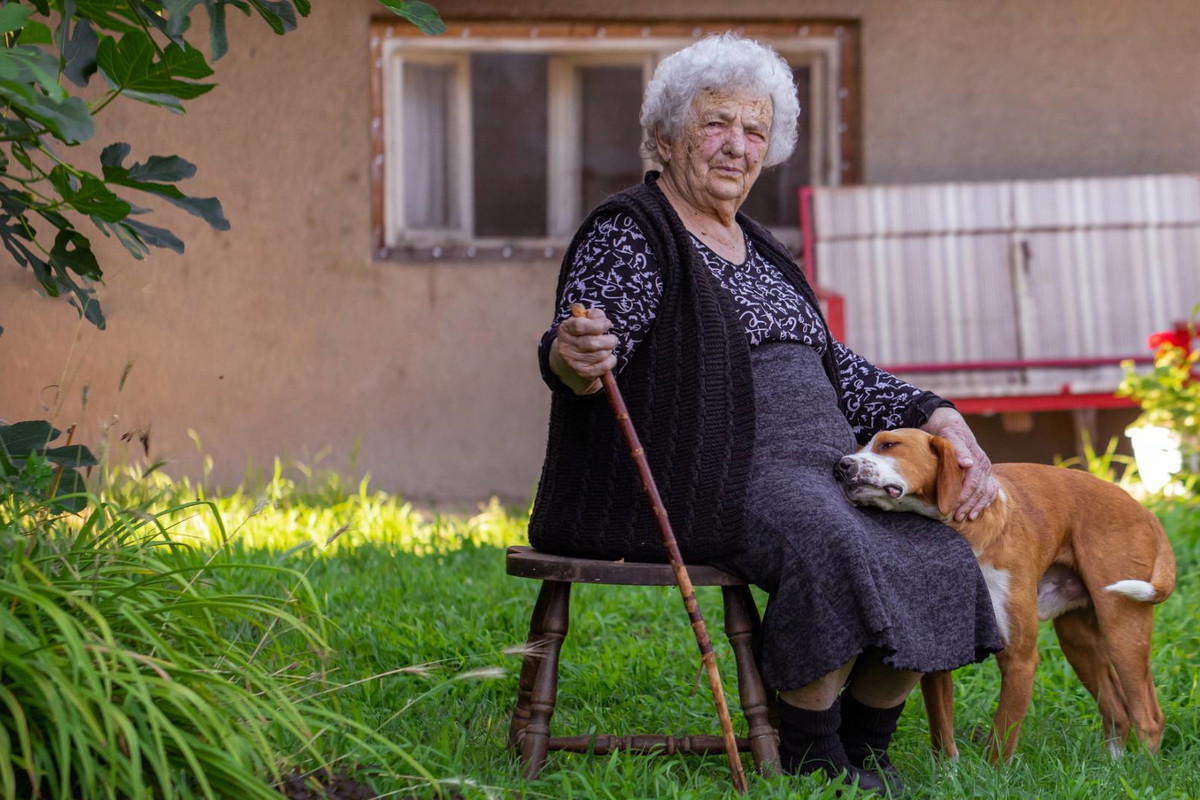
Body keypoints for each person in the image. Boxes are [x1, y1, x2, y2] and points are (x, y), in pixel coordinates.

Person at [529, 33, 1002, 794]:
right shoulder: (635, 232)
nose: (737, 146)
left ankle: (865, 745)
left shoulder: (763, 247)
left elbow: (835, 369)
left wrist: (936, 414)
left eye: (755, 131)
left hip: (819, 462)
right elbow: (587, 340)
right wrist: (571, 355)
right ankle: (814, 752)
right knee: (828, 535)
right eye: (717, 124)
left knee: (935, 548)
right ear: (666, 135)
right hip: (709, 471)